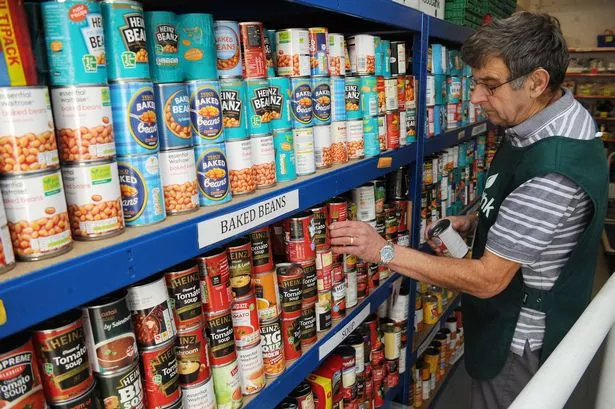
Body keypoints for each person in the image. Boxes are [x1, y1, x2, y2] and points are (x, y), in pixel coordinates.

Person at [329, 11, 608, 409]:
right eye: (476, 83)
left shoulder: (554, 169)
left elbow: (488, 279)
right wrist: (477, 220)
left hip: (520, 337)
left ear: (537, 82)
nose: (476, 97)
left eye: (490, 85)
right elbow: (536, 217)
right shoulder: (547, 116)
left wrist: (381, 252)